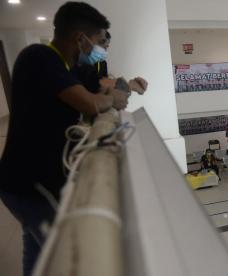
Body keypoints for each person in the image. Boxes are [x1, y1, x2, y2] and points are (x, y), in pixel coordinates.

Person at [0, 3, 128, 275]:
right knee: (65, 254)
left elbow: (102, 87)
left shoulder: (67, 68)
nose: (101, 49)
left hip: (30, 181)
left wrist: (121, 88)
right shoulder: (39, 57)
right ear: (80, 38)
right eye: (98, 41)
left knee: (37, 251)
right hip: (29, 184)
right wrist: (111, 98)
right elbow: (89, 103)